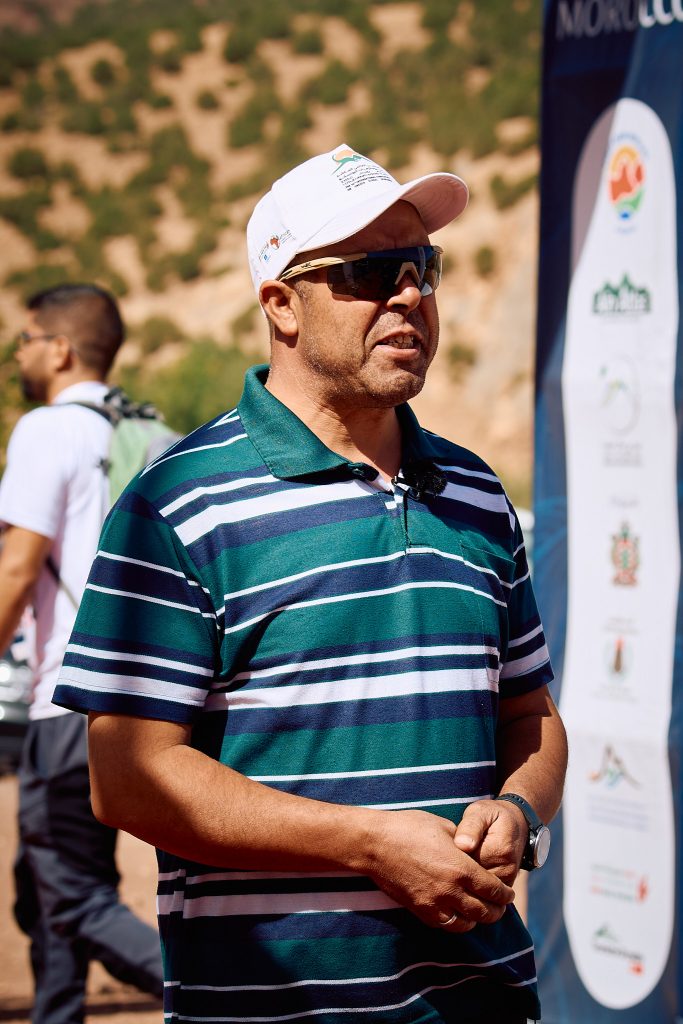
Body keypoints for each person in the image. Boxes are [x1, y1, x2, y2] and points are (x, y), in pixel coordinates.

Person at [54, 146, 568, 1024]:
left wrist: (519, 808)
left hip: (483, 998)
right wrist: (368, 844)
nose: (408, 295)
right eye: (368, 272)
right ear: (281, 304)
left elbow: (531, 716)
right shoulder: (177, 504)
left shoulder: (477, 492)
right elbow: (127, 780)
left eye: (423, 268)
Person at [0, 284, 164, 1024]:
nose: (20, 355)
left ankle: (237, 1000)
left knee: (72, 893)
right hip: (136, 699)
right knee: (49, 888)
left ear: (59, 349)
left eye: (26, 340)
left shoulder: (47, 429)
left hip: (63, 698)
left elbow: (16, 568)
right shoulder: (145, 433)